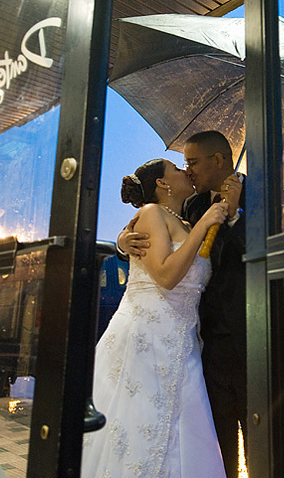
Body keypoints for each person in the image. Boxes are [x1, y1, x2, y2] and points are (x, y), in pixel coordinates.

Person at [118, 130, 284, 477]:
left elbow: (275, 250)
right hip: (208, 346)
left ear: (219, 161)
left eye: (192, 162)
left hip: (258, 341)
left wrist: (236, 215)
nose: (187, 170)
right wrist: (123, 241)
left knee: (265, 449)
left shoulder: (267, 194)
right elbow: (163, 245)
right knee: (216, 448)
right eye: (183, 165)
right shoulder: (191, 206)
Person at [81, 158, 228, 478]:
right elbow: (165, 275)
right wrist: (204, 224)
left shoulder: (187, 220)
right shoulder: (151, 213)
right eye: (177, 168)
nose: (186, 171)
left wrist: (205, 221)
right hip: (145, 339)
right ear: (162, 184)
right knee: (137, 429)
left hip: (182, 344)